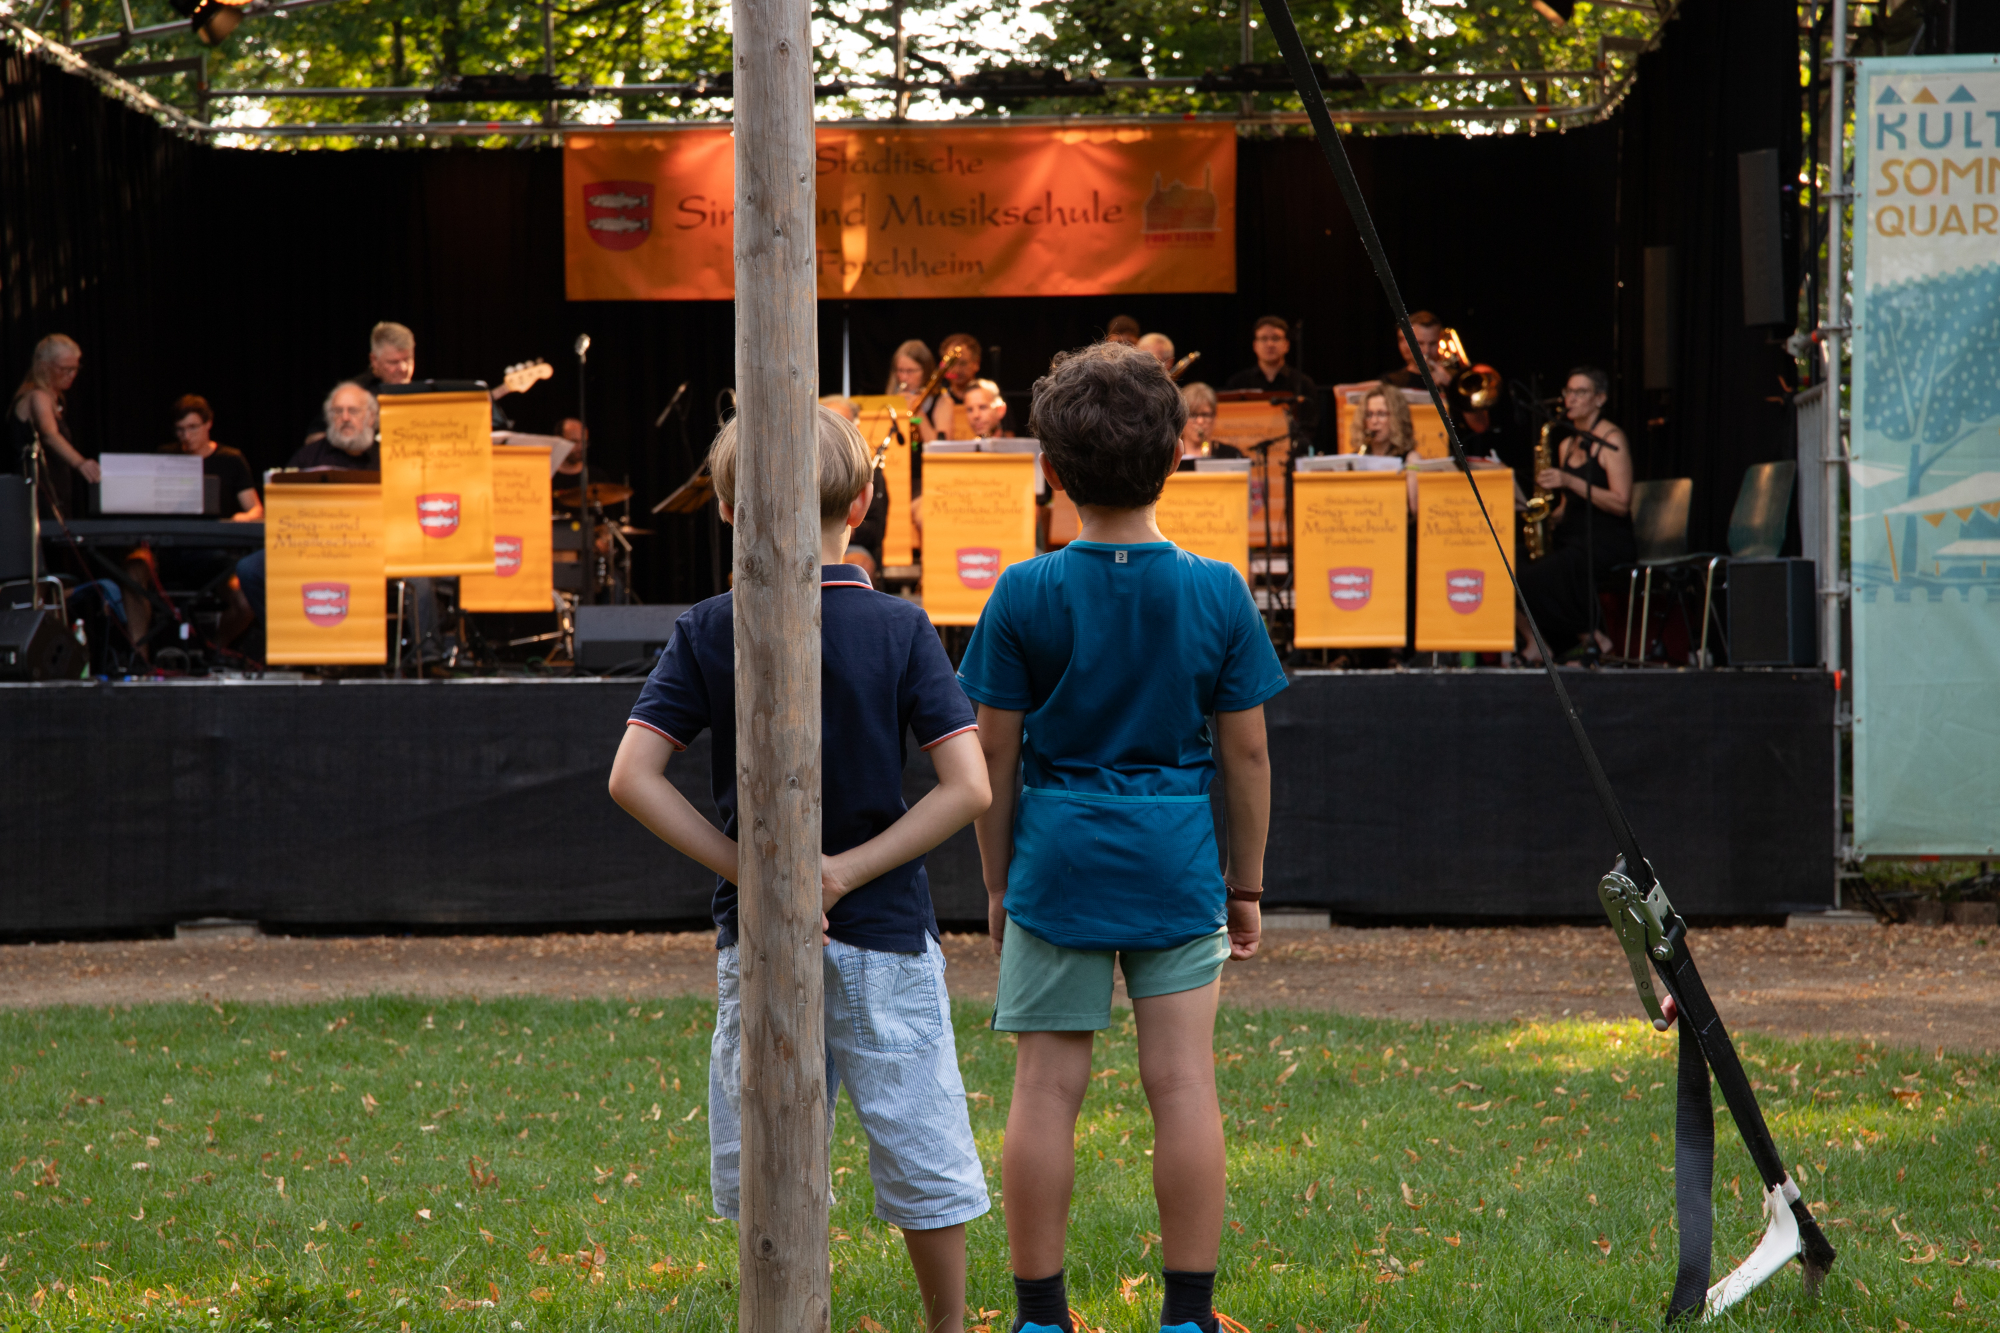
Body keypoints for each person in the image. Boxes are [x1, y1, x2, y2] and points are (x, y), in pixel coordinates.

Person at [608, 405, 992, 1333]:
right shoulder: (902, 628)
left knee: (766, 1150)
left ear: (730, 510)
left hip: (765, 935)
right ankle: (947, 1326)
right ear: (863, 502)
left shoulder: (708, 626)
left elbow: (631, 776)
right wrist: (844, 871)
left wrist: (757, 874)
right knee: (920, 1144)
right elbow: (968, 786)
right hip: (887, 935)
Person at [958, 341, 1284, 1333]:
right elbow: (1247, 759)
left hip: (1053, 856)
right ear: (1180, 455)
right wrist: (1247, 886)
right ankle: (1186, 1317)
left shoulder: (1021, 592)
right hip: (1175, 856)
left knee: (1045, 1089)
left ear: (1048, 469)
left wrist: (995, 880)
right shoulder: (1218, 591)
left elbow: (992, 758)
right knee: (1182, 1084)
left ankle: (1037, 1317)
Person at [1516, 366, 1635, 663]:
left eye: (1580, 392)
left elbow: (1621, 502)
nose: (1571, 399)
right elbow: (1568, 505)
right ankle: (1538, 642)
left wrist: (1570, 481)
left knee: (1557, 568)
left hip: (1607, 538)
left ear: (1600, 398)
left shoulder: (1612, 440)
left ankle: (1593, 638)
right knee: (1514, 565)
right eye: (1568, 392)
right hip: (1572, 535)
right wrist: (1545, 516)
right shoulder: (1566, 444)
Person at [9, 334, 98, 518]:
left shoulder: (54, 399)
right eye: (65, 369)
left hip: (56, 492)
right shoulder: (37, 396)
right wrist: (81, 463)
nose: (72, 375)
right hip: (37, 496)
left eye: (75, 369)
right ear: (44, 366)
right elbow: (49, 434)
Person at [821, 395, 890, 580]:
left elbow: (876, 530)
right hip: (802, 542)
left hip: (851, 544)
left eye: (841, 424)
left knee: (858, 566)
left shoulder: (870, 472)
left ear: (855, 429)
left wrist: (844, 527)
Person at [1223, 316, 1319, 434]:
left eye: (1276, 338)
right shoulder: (1237, 383)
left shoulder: (1303, 383)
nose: (1270, 344)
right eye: (1263, 339)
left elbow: (1310, 427)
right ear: (1255, 346)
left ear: (1287, 345)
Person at [1174, 383, 1242, 471]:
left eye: (1205, 415)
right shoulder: (1171, 457)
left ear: (1214, 418)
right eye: (1193, 414)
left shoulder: (1231, 455)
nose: (1200, 421)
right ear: (1182, 418)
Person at [1378, 310, 1449, 391]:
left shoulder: (1452, 377)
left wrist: (1450, 385)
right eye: (1420, 343)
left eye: (1433, 343)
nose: (1427, 350)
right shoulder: (1391, 381)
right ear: (1405, 344)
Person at [937, 333, 982, 437]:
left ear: (976, 363)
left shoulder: (989, 394)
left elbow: (1008, 436)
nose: (956, 370)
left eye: (962, 363)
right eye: (951, 363)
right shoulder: (937, 397)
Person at [1357, 384, 1415, 461]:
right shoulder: (1358, 456)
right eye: (1369, 414)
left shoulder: (1410, 458)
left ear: (1398, 418)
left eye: (1381, 414)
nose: (1374, 421)